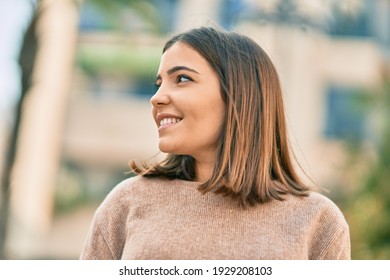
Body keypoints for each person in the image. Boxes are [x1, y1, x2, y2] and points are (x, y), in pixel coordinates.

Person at [80, 27, 350, 260]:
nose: (157, 98)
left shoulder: (318, 221)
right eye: (159, 83)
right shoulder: (126, 202)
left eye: (182, 79)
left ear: (239, 96)